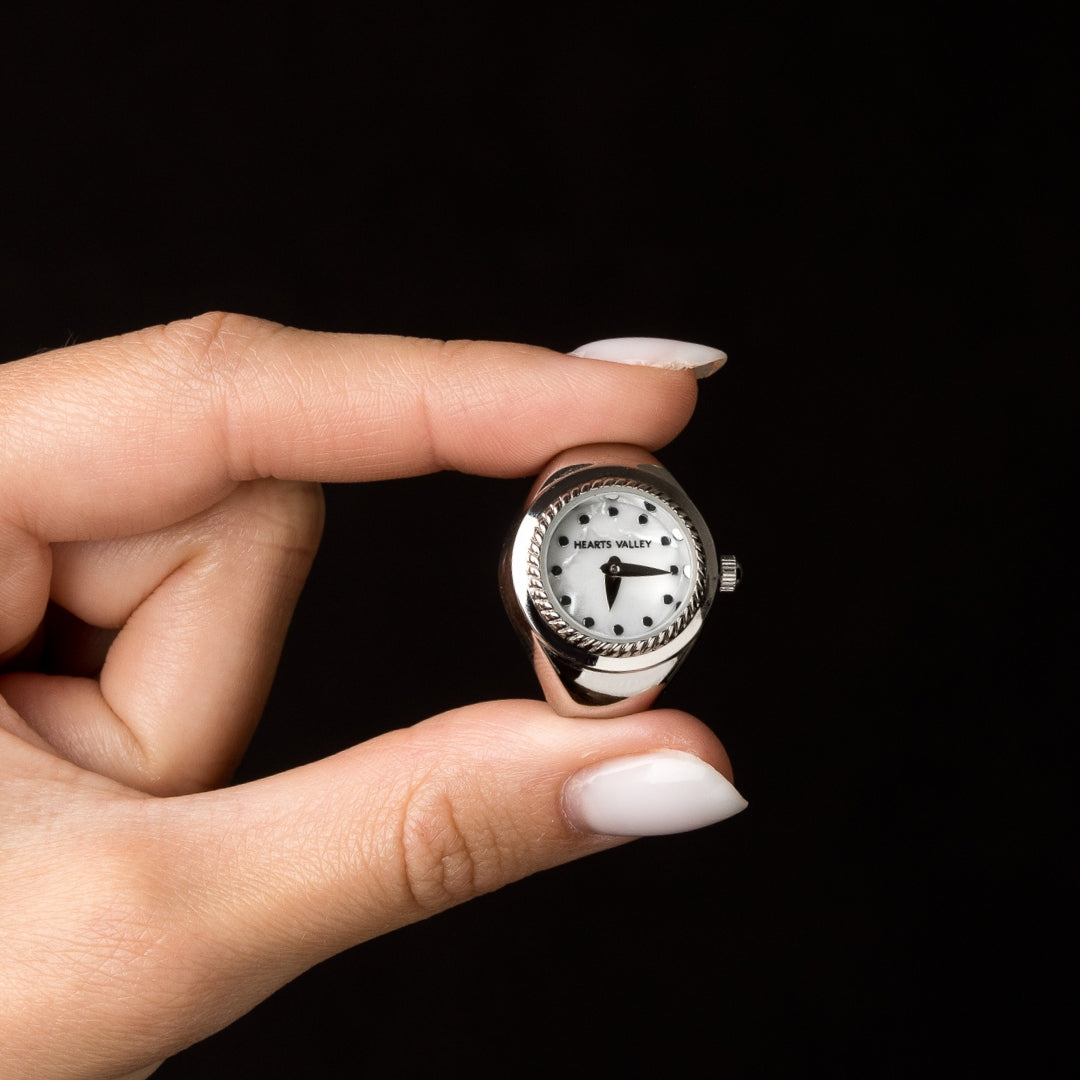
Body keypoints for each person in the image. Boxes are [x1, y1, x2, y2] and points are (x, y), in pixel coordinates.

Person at [0, 313, 747, 1079]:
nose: (612, 571)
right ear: (525, 579)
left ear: (707, 573)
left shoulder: (637, 571)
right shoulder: (604, 568)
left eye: (626, 569)